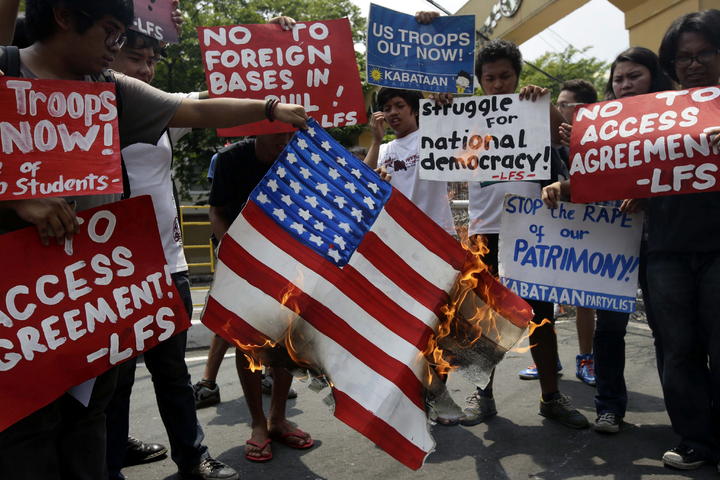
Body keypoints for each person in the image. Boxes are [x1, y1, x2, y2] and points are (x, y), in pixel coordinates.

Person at [0, 1, 307, 478]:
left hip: (97, 290)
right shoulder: (6, 72)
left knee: (91, 421)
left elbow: (193, 108)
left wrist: (269, 108)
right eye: (110, 31)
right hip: (23, 306)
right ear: (64, 15)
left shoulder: (110, 88)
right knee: (27, 438)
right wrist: (18, 197)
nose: (116, 46)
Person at [542, 47, 673, 434]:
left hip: (663, 243)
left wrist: (647, 197)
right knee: (610, 329)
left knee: (668, 330)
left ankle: (685, 417)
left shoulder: (675, 120)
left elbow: (680, 174)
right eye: (618, 79)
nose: (625, 85)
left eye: (635, 76)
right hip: (614, 239)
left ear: (654, 77)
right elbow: (592, 181)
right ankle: (609, 407)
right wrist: (564, 185)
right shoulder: (598, 127)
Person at [461, 39, 589, 430]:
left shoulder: (533, 109)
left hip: (530, 230)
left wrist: (542, 102)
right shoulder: (464, 118)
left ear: (517, 77)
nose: (498, 84)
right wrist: (442, 106)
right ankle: (482, 396)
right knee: (484, 319)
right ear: (480, 82)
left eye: (506, 76)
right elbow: (440, 147)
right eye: (490, 78)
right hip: (485, 233)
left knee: (540, 317)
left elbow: (563, 134)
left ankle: (551, 397)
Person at [208, 133, 314, 463]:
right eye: (278, 131)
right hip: (241, 261)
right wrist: (233, 255)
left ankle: (278, 418)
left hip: (288, 262)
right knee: (247, 343)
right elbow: (216, 212)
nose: (285, 138)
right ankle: (258, 423)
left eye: (291, 132)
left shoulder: (300, 156)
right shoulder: (230, 160)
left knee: (286, 341)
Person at [646, 9, 720, 470]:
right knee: (678, 349)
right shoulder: (651, 115)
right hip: (667, 250)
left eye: (704, 53)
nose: (693, 65)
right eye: (682, 58)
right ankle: (696, 441)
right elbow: (619, 168)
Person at [519, 79, 599, 387]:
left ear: (583, 109)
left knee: (584, 297)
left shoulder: (598, 139)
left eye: (564, 105)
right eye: (558, 104)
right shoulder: (547, 137)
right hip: (550, 224)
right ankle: (547, 358)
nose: (558, 109)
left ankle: (586, 357)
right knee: (541, 296)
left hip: (586, 225)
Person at [363, 86, 456, 236]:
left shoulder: (434, 139)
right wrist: (376, 141)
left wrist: (444, 103)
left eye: (400, 106)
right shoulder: (383, 150)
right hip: (400, 236)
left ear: (417, 110)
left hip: (437, 232)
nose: (393, 112)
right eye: (387, 109)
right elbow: (362, 181)